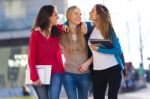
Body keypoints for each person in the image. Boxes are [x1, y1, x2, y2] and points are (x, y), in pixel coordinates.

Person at [88, 4, 125, 99]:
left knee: (112, 96)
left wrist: (100, 49)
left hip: (113, 68)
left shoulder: (109, 31)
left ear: (99, 15)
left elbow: (118, 50)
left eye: (92, 11)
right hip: (97, 70)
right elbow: (71, 22)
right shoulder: (89, 27)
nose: (90, 12)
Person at [28, 5, 64, 99]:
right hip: (40, 73)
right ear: (48, 17)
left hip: (56, 71)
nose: (58, 17)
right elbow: (31, 57)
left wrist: (82, 24)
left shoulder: (57, 30)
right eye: (55, 15)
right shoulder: (35, 34)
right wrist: (34, 77)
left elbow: (72, 25)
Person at [60, 6, 92, 99]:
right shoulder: (62, 32)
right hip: (68, 74)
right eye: (76, 13)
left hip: (85, 74)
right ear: (69, 15)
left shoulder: (86, 29)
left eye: (80, 14)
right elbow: (49, 29)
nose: (79, 16)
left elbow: (97, 51)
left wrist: (87, 63)